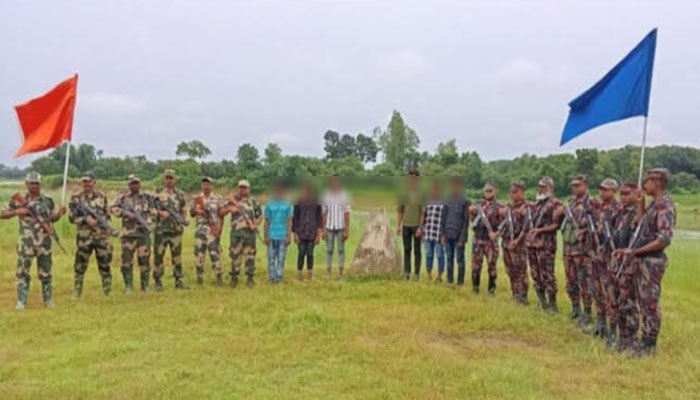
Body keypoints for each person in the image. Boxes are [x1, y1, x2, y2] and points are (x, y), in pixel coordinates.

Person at [615, 168, 675, 356]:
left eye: (647, 181)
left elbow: (664, 239)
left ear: (657, 182)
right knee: (638, 301)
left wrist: (635, 251)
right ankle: (635, 340)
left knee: (649, 303)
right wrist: (641, 205)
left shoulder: (665, 207)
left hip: (652, 261)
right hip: (641, 260)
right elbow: (641, 226)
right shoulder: (653, 206)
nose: (644, 185)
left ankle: (649, 345)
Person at [1, 172, 66, 309]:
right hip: (26, 242)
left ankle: (48, 301)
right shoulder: (18, 200)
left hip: (44, 242)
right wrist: (17, 212)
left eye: (37, 183)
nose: (34, 186)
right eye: (31, 183)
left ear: (40, 184)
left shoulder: (47, 200)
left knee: (46, 271)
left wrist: (60, 213)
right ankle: (21, 301)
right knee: (22, 271)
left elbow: (51, 219)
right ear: (26, 184)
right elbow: (2, 214)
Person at [559, 175, 600, 328]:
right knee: (571, 281)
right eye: (573, 186)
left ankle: (587, 313)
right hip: (568, 249)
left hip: (583, 251)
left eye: (578, 185)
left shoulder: (592, 203)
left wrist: (585, 231)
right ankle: (575, 308)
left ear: (585, 185)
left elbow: (598, 225)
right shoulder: (570, 203)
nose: (575, 188)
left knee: (585, 282)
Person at [68, 172, 113, 297]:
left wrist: (103, 224)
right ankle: (77, 292)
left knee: (105, 264)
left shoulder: (102, 197)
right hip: (84, 237)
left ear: (94, 182)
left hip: (101, 237)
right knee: (80, 266)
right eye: (84, 181)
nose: (86, 184)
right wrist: (85, 220)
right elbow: (71, 218)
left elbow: (107, 215)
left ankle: (107, 292)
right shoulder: (76, 198)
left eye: (89, 181)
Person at [588, 178, 622, 338]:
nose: (602, 192)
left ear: (614, 191)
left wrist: (606, 232)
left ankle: (612, 329)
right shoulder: (598, 208)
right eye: (601, 189)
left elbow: (620, 234)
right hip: (595, 256)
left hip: (609, 257)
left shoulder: (618, 209)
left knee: (610, 293)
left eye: (605, 189)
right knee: (596, 291)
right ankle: (600, 323)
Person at [111, 174, 155, 293]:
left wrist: (147, 221)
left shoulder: (147, 198)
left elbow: (154, 212)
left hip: (143, 235)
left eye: (136, 183)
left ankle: (145, 287)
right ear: (129, 185)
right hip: (128, 236)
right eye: (132, 184)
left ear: (139, 184)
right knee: (126, 262)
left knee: (144, 262)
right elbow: (113, 209)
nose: (134, 186)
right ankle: (128, 286)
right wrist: (126, 214)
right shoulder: (122, 198)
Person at [609, 182, 640, 351]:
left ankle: (632, 339)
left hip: (630, 265)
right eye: (621, 194)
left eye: (627, 194)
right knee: (616, 300)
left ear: (636, 194)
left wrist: (641, 204)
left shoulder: (638, 213)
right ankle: (621, 337)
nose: (623, 197)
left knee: (629, 303)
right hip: (617, 262)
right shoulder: (619, 213)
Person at [525, 177, 563, 312]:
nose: (540, 189)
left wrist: (540, 230)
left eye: (544, 187)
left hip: (546, 245)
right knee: (535, 274)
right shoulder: (538, 204)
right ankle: (542, 302)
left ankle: (552, 305)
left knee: (548, 275)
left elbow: (556, 225)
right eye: (539, 187)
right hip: (532, 244)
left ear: (550, 188)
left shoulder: (555, 203)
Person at [490, 182, 530, 305]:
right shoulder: (508, 209)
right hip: (506, 243)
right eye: (511, 192)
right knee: (510, 271)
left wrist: (517, 241)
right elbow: (504, 225)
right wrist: (497, 234)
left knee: (520, 272)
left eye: (515, 192)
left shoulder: (526, 208)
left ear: (522, 193)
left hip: (519, 244)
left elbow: (526, 228)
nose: (513, 195)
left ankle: (523, 297)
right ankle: (515, 294)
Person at [221, 180, 262, 288]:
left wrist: (254, 224)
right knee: (235, 256)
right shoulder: (232, 200)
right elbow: (221, 212)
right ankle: (234, 279)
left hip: (250, 234)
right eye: (240, 187)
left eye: (245, 188)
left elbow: (259, 216)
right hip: (236, 234)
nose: (242, 190)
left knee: (250, 256)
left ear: (249, 189)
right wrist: (230, 209)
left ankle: (250, 279)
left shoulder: (254, 202)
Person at [152, 169, 188, 290]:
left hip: (176, 231)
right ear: (164, 179)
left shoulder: (180, 194)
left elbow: (184, 210)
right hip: (161, 230)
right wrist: (160, 213)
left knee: (177, 257)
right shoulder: (157, 193)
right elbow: (150, 207)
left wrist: (181, 219)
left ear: (175, 180)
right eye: (167, 178)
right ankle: (158, 281)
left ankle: (179, 280)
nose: (169, 181)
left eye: (171, 178)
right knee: (158, 256)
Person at [469, 183, 503, 294]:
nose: (488, 193)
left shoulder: (499, 207)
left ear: (495, 191)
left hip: (490, 241)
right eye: (486, 191)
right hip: (478, 239)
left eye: (490, 190)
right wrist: (471, 216)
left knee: (492, 266)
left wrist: (497, 234)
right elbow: (472, 219)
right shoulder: (479, 205)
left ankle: (491, 290)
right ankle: (475, 288)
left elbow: (505, 225)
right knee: (475, 265)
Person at [190, 176, 224, 285]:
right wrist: (196, 211)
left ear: (212, 186)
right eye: (204, 184)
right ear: (201, 186)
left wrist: (219, 230)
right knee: (199, 254)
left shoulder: (218, 198)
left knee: (215, 254)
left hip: (212, 229)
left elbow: (221, 215)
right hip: (200, 229)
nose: (206, 186)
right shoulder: (196, 198)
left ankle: (219, 277)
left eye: (208, 184)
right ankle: (199, 278)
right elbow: (191, 213)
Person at [440, 177, 469, 286]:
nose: (455, 188)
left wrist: (462, 238)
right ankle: (449, 280)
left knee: (460, 259)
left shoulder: (465, 202)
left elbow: (466, 222)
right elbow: (443, 218)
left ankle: (460, 282)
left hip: (459, 236)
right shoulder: (447, 201)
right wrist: (442, 234)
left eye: (457, 186)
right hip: (448, 234)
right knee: (449, 258)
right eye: (453, 186)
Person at [292, 181, 323, 281]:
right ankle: (299, 275)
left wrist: (318, 235)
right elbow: (295, 218)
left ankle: (310, 275)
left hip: (312, 233)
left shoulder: (317, 202)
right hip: (301, 232)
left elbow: (319, 219)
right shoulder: (298, 202)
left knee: (310, 253)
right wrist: (295, 234)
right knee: (301, 253)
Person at [322, 175, 351, 279]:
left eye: (336, 181)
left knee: (341, 250)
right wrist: (323, 229)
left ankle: (340, 273)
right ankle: (328, 273)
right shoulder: (326, 195)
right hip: (329, 226)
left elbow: (347, 213)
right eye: (333, 181)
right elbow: (324, 213)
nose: (334, 183)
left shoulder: (344, 196)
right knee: (329, 250)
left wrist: (347, 230)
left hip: (341, 227)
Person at [397, 171, 424, 281]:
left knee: (417, 251)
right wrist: (398, 226)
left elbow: (422, 213)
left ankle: (416, 274)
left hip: (416, 226)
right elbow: (400, 211)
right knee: (407, 249)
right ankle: (406, 272)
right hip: (406, 225)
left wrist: (420, 227)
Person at [264, 181, 293, 284]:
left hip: (283, 236)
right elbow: (266, 221)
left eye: (280, 191)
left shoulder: (287, 205)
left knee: (281, 258)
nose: (278, 193)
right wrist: (266, 236)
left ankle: (279, 278)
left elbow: (289, 221)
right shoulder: (269, 205)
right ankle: (272, 278)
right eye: (277, 191)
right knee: (271, 259)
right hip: (272, 235)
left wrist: (289, 236)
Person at [421, 179, 445, 282]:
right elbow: (424, 216)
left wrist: (444, 235)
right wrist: (422, 230)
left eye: (436, 189)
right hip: (428, 233)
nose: (434, 191)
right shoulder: (427, 201)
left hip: (439, 233)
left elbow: (446, 219)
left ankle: (439, 275)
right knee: (428, 254)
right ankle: (429, 274)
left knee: (440, 255)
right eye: (433, 189)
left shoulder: (444, 202)